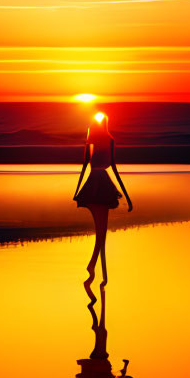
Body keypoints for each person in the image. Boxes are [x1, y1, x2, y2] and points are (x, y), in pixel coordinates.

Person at [72, 111, 133, 281]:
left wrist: (77, 190)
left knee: (101, 232)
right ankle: (97, 268)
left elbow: (85, 165)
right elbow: (113, 167)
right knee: (102, 231)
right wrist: (127, 197)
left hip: (94, 183)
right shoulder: (108, 140)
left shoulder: (92, 140)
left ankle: (97, 269)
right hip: (102, 183)